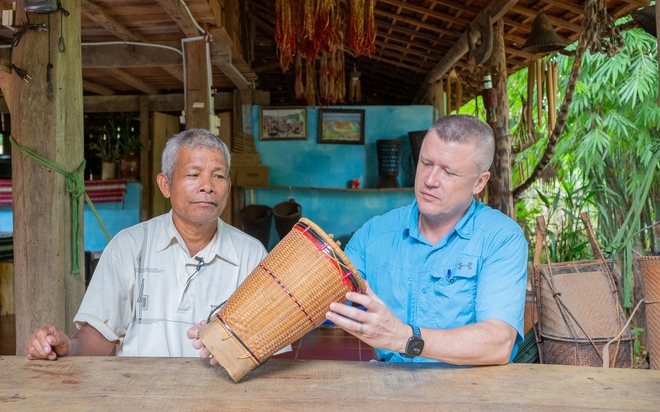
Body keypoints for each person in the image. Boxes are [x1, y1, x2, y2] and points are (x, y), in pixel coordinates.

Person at [26, 128, 268, 363]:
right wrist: (68, 348)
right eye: (194, 175)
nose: (208, 186)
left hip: (219, 400)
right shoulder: (129, 247)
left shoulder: (250, 254)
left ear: (228, 186)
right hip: (141, 398)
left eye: (218, 175)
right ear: (165, 185)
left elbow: (265, 344)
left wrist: (234, 347)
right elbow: (99, 335)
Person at [326, 114, 528, 365]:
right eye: (426, 163)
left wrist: (405, 338)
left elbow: (498, 343)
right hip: (391, 386)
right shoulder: (374, 233)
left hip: (471, 394)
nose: (430, 181)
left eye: (449, 172)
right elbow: (324, 300)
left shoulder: (501, 238)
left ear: (479, 182)